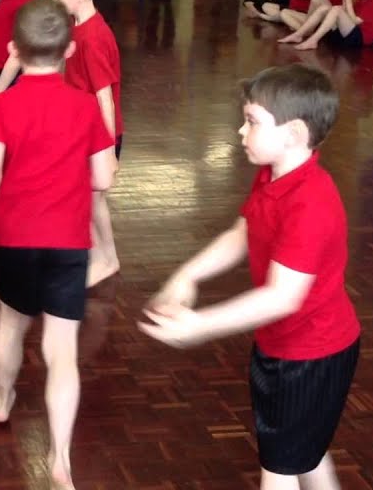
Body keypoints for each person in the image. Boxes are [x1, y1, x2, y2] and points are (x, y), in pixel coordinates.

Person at [142, 64, 360, 490]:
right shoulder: (274, 176)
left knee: (279, 470)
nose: (241, 132)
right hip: (283, 347)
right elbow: (243, 232)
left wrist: (202, 325)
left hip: (312, 356)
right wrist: (189, 275)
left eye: (252, 122)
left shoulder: (311, 202)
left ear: (293, 133)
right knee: (305, 457)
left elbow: (282, 296)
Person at [0, 0, 117, 489]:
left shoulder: (1, 105)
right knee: (61, 350)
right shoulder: (85, 105)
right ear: (68, 49)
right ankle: (60, 459)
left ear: (14, 51)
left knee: (11, 323)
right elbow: (104, 178)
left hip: (16, 241)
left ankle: (2, 399)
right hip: (68, 243)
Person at [45, 0, 122, 288]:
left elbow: (104, 96)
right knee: (84, 199)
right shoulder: (83, 26)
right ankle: (97, 255)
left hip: (99, 135)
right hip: (85, 132)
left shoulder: (91, 39)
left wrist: (106, 149)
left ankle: (108, 258)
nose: (55, 3)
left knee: (93, 201)